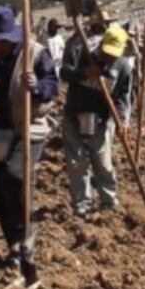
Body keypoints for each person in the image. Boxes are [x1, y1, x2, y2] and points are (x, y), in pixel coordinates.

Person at [0, 6, 58, 268]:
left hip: (28, 129)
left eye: (0, 42)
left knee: (16, 178)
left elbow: (53, 85)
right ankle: (13, 244)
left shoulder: (34, 53)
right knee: (0, 191)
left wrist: (37, 87)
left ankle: (27, 238)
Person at [59, 24, 132, 218]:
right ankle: (81, 203)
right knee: (77, 162)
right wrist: (84, 72)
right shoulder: (84, 52)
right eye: (107, 53)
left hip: (100, 119)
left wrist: (122, 120)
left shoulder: (123, 66)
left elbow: (124, 96)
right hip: (75, 114)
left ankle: (109, 199)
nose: (109, 58)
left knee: (103, 162)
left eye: (114, 55)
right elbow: (64, 74)